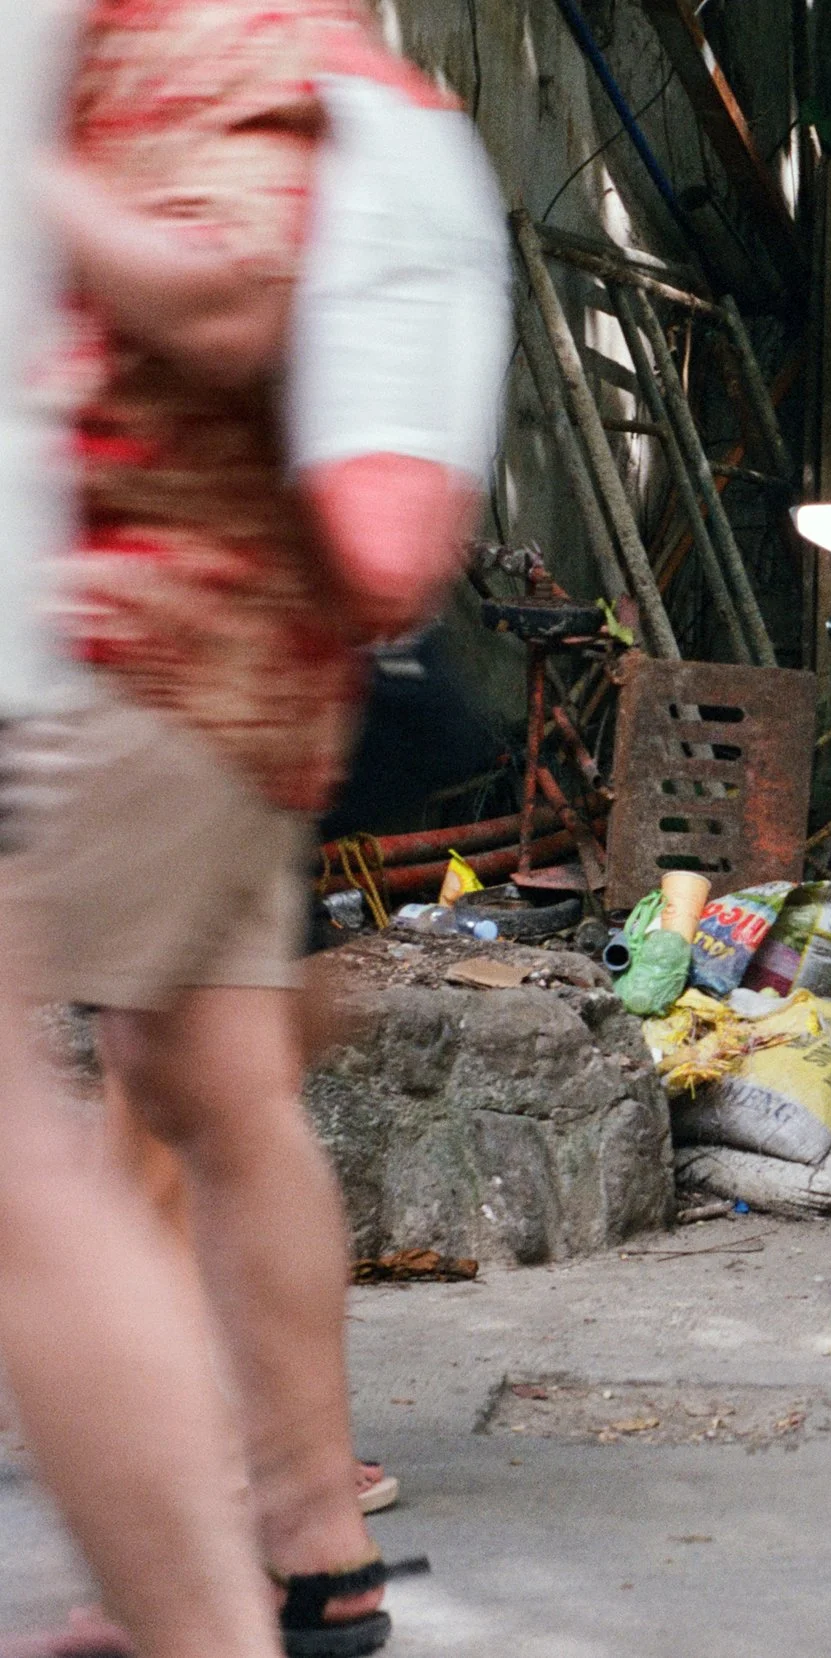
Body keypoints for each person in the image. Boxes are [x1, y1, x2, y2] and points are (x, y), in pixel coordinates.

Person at [9, 2, 472, 1652]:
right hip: (202, 663)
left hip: (139, 650)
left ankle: (195, 1608)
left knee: (24, 1168)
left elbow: (227, 295)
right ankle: (308, 1551)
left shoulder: (215, 33)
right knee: (207, 1088)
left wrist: (28, 174)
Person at [0, 5, 285, 1658]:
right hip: (90, 616)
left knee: (63, 1155)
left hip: (128, 632)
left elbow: (228, 289)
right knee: (104, 1129)